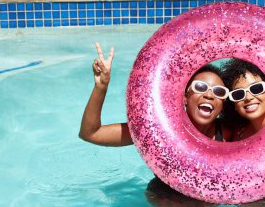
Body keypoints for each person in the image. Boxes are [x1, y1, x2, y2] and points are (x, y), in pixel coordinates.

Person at [79, 42, 230, 145]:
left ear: (222, 106)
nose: (209, 95)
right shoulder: (159, 130)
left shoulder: (230, 134)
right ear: (185, 97)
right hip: (161, 193)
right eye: (201, 87)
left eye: (219, 92)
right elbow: (91, 134)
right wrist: (101, 86)